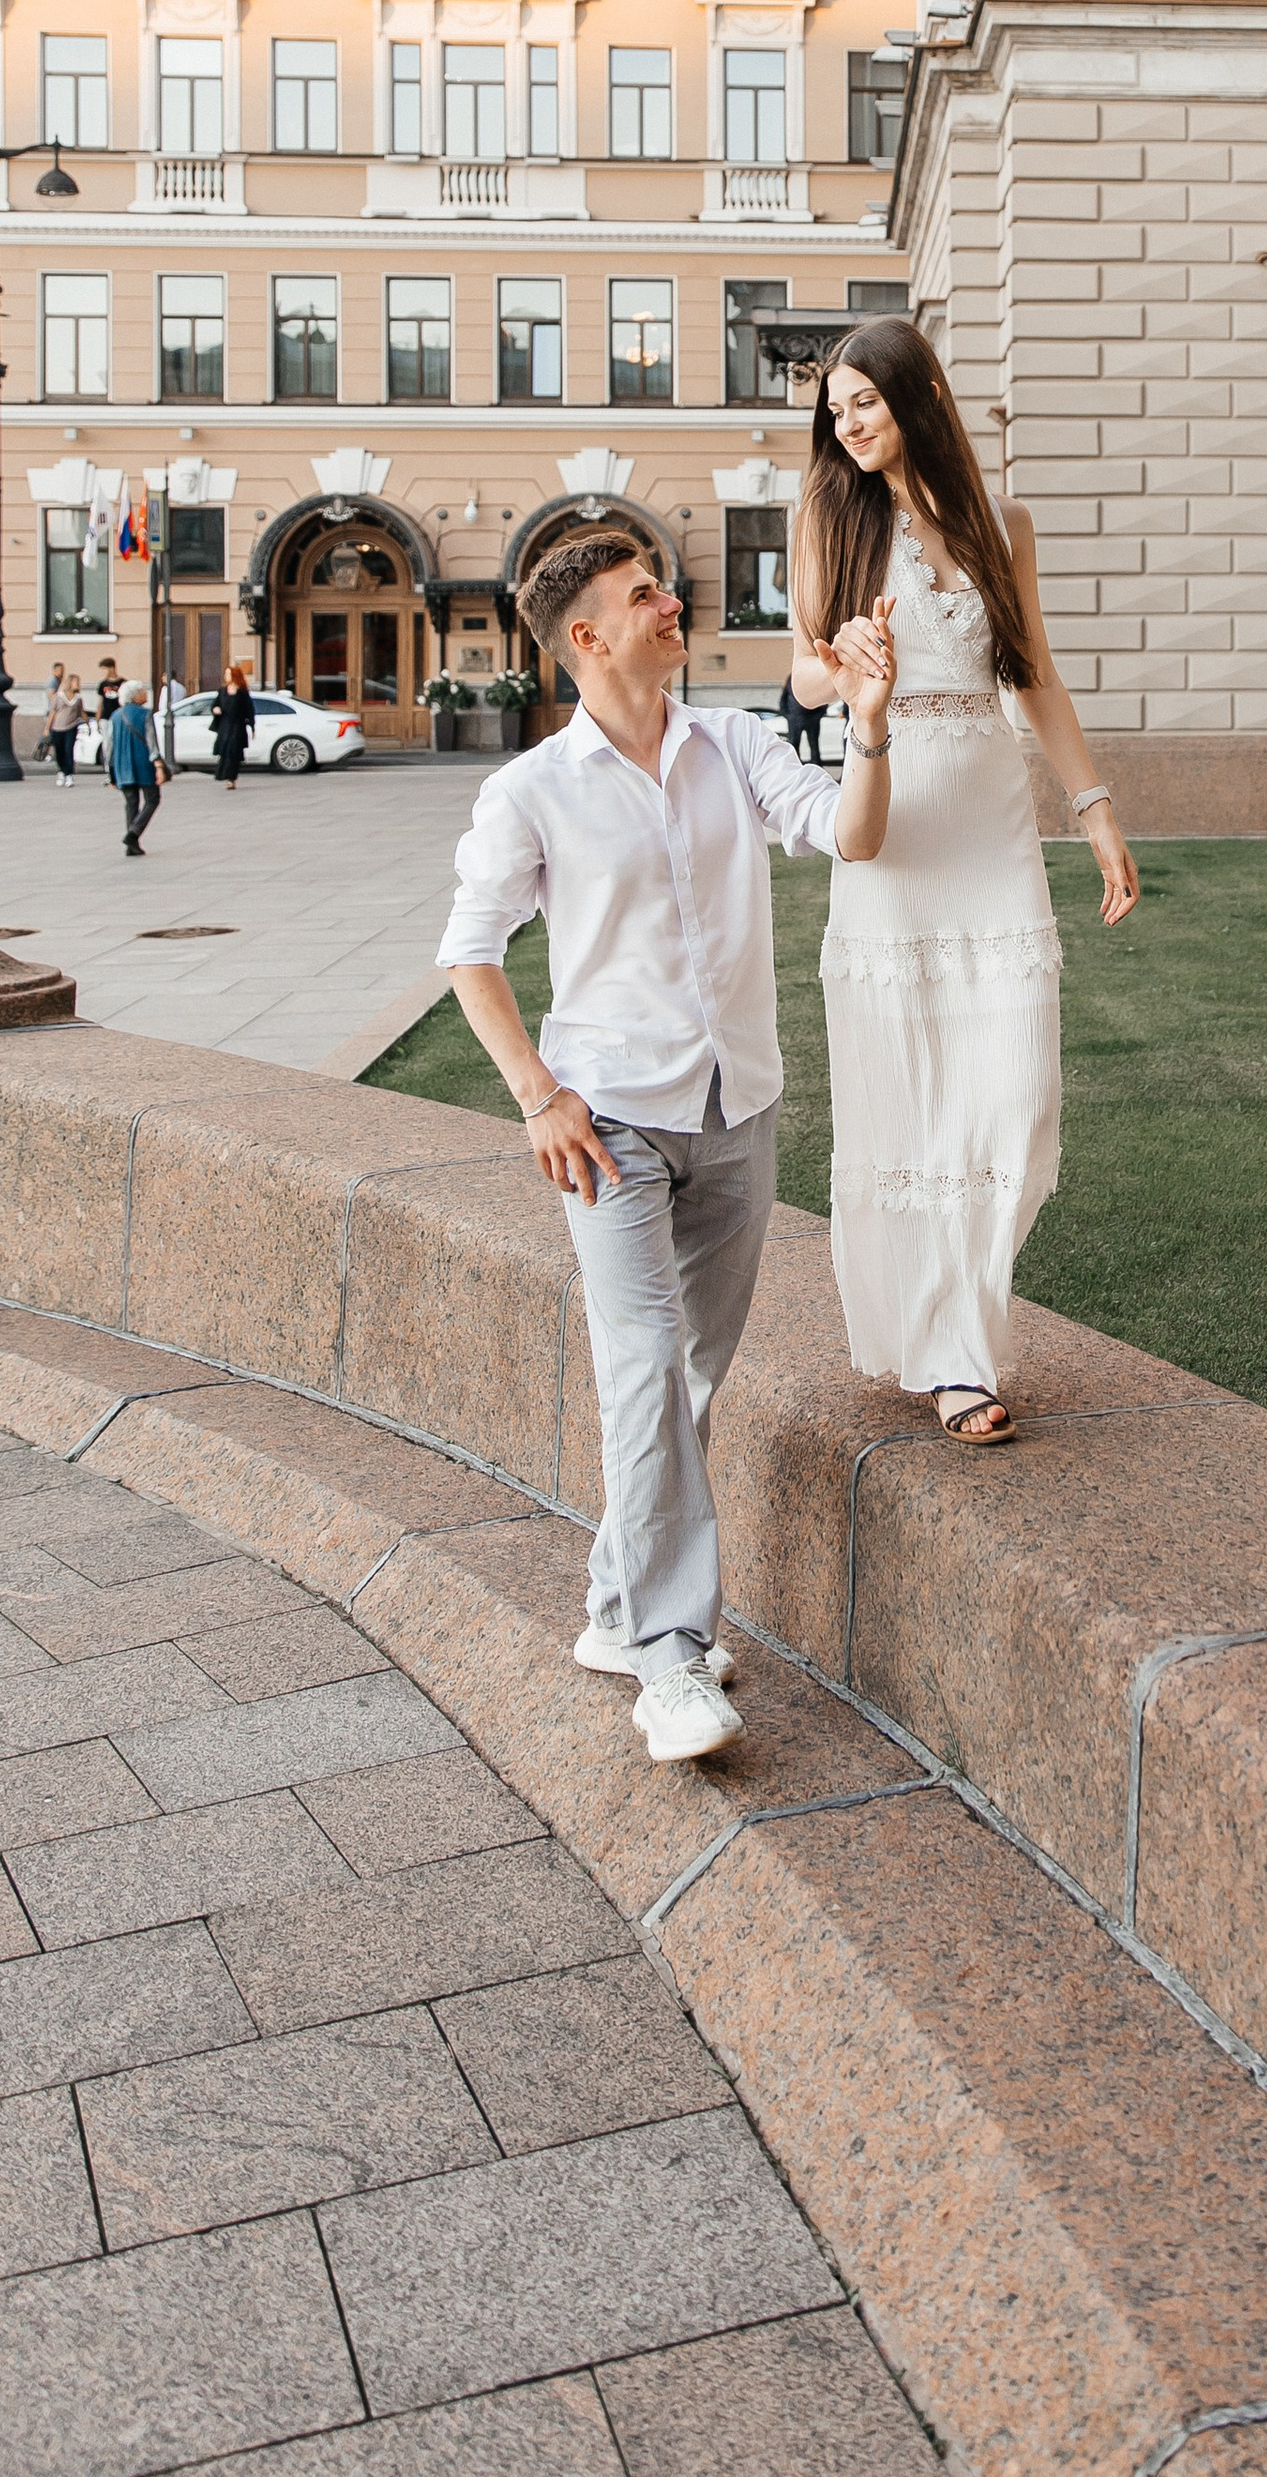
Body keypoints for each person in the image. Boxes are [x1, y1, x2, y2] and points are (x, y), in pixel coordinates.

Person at [439, 530, 898, 1767]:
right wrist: (539, 1094)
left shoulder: (738, 745)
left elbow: (848, 837)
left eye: (661, 585)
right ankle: (669, 1662)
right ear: (586, 638)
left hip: (738, 1109)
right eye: (643, 595)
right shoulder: (530, 789)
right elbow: (469, 954)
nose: (669, 601)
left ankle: (610, 1607)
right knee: (643, 1367)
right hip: (611, 1128)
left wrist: (868, 724)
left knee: (691, 1376)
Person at [789, 315, 1138, 1446]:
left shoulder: (1000, 524)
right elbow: (797, 672)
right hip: (892, 808)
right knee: (910, 1087)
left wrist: (1092, 809)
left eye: (865, 404)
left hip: (990, 817)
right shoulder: (826, 512)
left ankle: (963, 1324)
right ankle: (953, 1355)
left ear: (920, 396)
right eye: (835, 411)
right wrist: (847, 664)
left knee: (1013, 1098)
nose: (848, 427)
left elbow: (1030, 677)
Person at [109, 684, 162, 856]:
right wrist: (158, 763)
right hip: (142, 763)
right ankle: (133, 835)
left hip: (122, 765)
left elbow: (108, 746)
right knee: (153, 799)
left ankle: (132, 844)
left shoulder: (115, 715)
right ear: (136, 696)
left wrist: (110, 772)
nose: (146, 693)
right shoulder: (145, 714)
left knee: (131, 803)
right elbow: (151, 741)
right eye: (143, 691)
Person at [208, 661, 254, 792]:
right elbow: (214, 705)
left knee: (233, 752)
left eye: (228, 673)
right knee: (225, 751)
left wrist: (252, 726)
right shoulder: (222, 691)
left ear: (234, 675)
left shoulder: (242, 693)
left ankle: (231, 779)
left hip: (237, 726)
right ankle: (226, 776)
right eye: (225, 673)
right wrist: (215, 709)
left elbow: (249, 710)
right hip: (224, 726)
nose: (225, 676)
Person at [44, 669, 84, 789]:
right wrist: (47, 728)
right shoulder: (58, 697)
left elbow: (81, 712)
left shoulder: (78, 698)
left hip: (71, 728)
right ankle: (61, 771)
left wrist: (89, 722)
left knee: (69, 750)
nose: (77, 684)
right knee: (59, 752)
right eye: (75, 682)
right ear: (70, 682)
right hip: (57, 728)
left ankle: (69, 774)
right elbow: (53, 712)